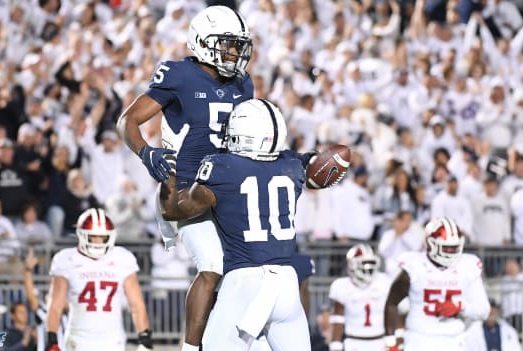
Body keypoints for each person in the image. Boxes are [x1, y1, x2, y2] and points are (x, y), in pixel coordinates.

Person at [117, 6, 254, 351]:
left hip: (229, 190)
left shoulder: (242, 82)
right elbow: (127, 121)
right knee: (212, 266)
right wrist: (147, 153)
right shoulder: (179, 75)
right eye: (227, 44)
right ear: (204, 43)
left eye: (237, 45)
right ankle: (190, 348)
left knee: (248, 272)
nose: (234, 53)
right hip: (187, 191)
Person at [159, 99, 310, 350]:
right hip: (286, 284)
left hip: (245, 282)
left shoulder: (224, 168)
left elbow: (174, 210)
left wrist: (170, 168)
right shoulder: (291, 166)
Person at [45, 208, 152, 351]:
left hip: (112, 340)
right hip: (78, 340)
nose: (98, 241)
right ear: (81, 235)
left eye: (103, 237)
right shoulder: (66, 259)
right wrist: (52, 339)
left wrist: (145, 338)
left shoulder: (122, 258)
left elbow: (136, 304)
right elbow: (55, 305)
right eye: (93, 236)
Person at [384, 217, 491, 351]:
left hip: (455, 339)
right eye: (446, 248)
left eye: (454, 248)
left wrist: (461, 307)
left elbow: (484, 310)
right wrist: (390, 342)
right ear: (430, 243)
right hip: (420, 339)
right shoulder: (415, 266)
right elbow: (392, 303)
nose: (451, 252)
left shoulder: (467, 266)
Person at [329, 244, 392, 351]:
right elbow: (338, 321)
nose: (368, 267)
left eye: (371, 263)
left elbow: (392, 313)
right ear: (352, 264)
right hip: (353, 343)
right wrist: (335, 347)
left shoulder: (384, 282)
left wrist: (393, 341)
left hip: (380, 342)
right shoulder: (341, 286)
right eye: (364, 263)